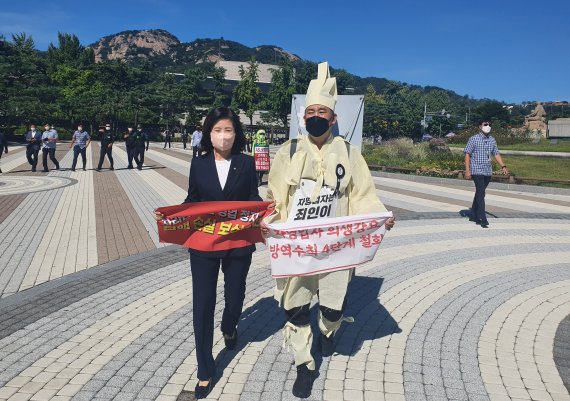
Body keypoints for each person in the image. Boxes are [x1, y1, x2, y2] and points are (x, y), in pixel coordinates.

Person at [262, 62, 395, 399]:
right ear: (303, 117)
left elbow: (362, 195)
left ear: (333, 118)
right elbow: (275, 197)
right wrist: (268, 220)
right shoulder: (288, 151)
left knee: (333, 307)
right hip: (299, 247)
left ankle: (329, 330)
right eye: (311, 112)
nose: (316, 117)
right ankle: (304, 364)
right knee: (294, 306)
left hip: (337, 248)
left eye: (323, 111)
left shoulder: (350, 154)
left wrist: (379, 217)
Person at [155, 107, 261, 399]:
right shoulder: (198, 164)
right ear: (208, 133)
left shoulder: (246, 163)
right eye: (217, 130)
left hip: (238, 242)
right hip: (204, 243)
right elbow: (193, 199)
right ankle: (205, 370)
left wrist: (264, 211)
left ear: (236, 133)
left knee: (236, 295)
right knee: (202, 303)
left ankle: (229, 327)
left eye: (228, 130)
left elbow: (253, 197)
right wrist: (174, 217)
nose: (224, 136)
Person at [464, 120, 509, 228]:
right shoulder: (473, 139)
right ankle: (482, 217)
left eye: (489, 124)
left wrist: (503, 166)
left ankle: (473, 214)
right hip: (477, 170)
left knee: (480, 192)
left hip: (487, 170)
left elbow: (496, 154)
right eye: (485, 124)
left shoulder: (492, 140)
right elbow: (467, 154)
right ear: (480, 126)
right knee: (481, 193)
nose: (488, 126)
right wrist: (467, 170)